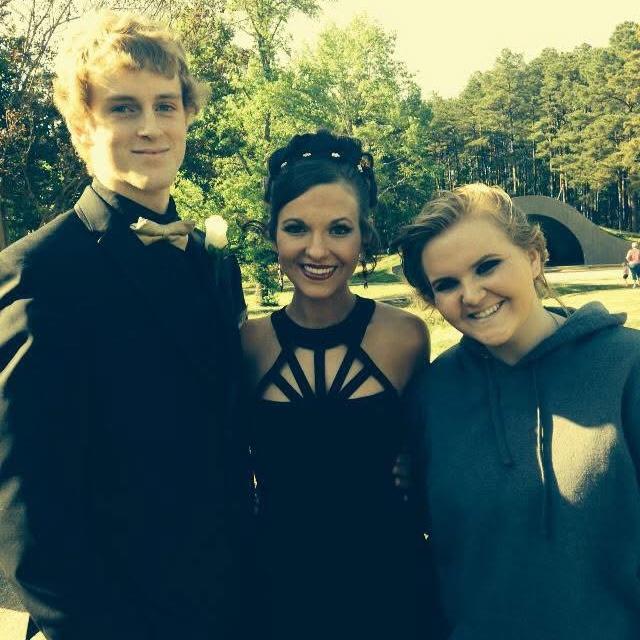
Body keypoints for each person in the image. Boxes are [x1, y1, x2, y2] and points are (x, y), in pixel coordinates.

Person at [0, 11, 252, 640]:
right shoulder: (39, 272)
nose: (150, 126)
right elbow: (25, 506)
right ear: (82, 127)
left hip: (234, 608)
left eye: (166, 105)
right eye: (123, 108)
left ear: (187, 117)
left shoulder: (214, 263)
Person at [394, 183, 640, 639]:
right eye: (446, 284)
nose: (471, 294)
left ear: (533, 257)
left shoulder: (628, 366)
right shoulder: (431, 393)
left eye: (487, 266)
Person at [241, 130, 439, 640]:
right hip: (279, 593)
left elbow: (429, 446)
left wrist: (413, 465)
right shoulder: (247, 344)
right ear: (273, 235)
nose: (317, 249)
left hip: (391, 590)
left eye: (339, 229)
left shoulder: (405, 337)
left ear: (363, 236)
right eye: (296, 228)